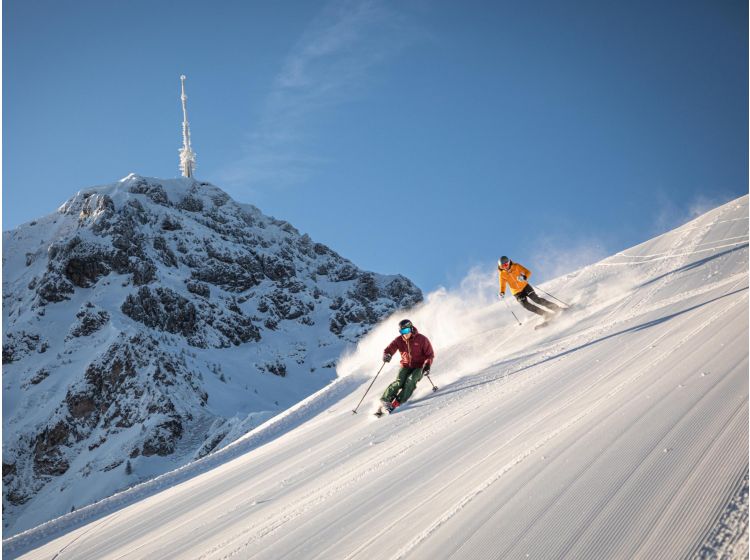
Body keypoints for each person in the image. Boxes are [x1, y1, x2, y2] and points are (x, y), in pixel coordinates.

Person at [380, 319, 435, 412]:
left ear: (411, 328)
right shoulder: (399, 340)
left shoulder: (422, 339)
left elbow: (430, 355)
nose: (404, 334)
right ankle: (386, 399)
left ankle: (398, 402)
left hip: (419, 366)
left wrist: (427, 365)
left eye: (406, 331)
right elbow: (389, 349)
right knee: (399, 382)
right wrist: (387, 355)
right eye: (402, 331)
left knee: (411, 381)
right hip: (405, 365)